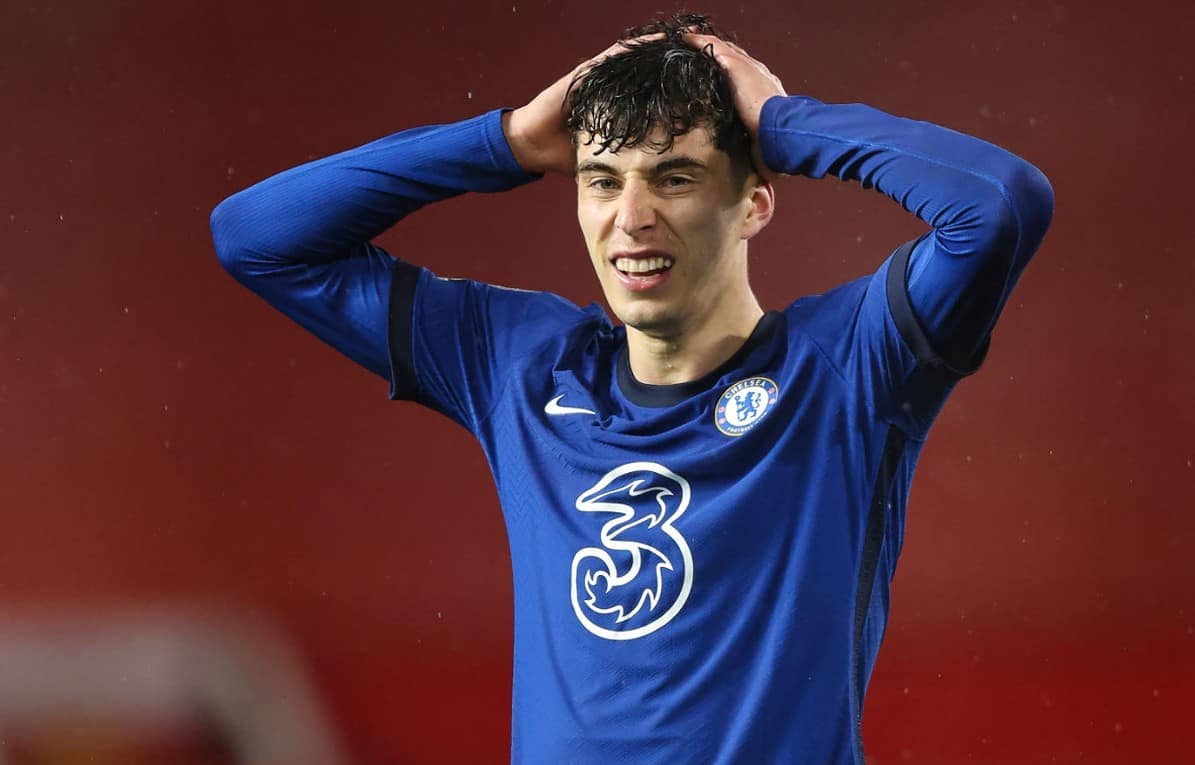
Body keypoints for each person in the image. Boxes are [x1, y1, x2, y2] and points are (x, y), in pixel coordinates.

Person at [210, 13, 1053, 764]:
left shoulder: (847, 368)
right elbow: (254, 237)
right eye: (602, 179)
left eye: (676, 177)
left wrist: (783, 124)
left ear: (754, 203)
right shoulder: (520, 365)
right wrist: (501, 140)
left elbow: (998, 204)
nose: (631, 216)